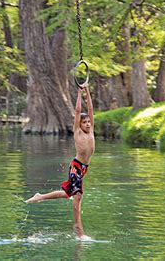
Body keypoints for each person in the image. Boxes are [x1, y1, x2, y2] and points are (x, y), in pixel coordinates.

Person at [26, 85, 95, 240]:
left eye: (89, 122)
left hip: (84, 168)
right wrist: (79, 93)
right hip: (76, 167)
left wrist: (88, 91)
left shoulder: (91, 131)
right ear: (79, 124)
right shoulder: (77, 132)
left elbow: (90, 109)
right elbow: (78, 112)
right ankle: (79, 229)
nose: (88, 124)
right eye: (85, 122)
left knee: (67, 194)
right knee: (77, 196)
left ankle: (40, 196)